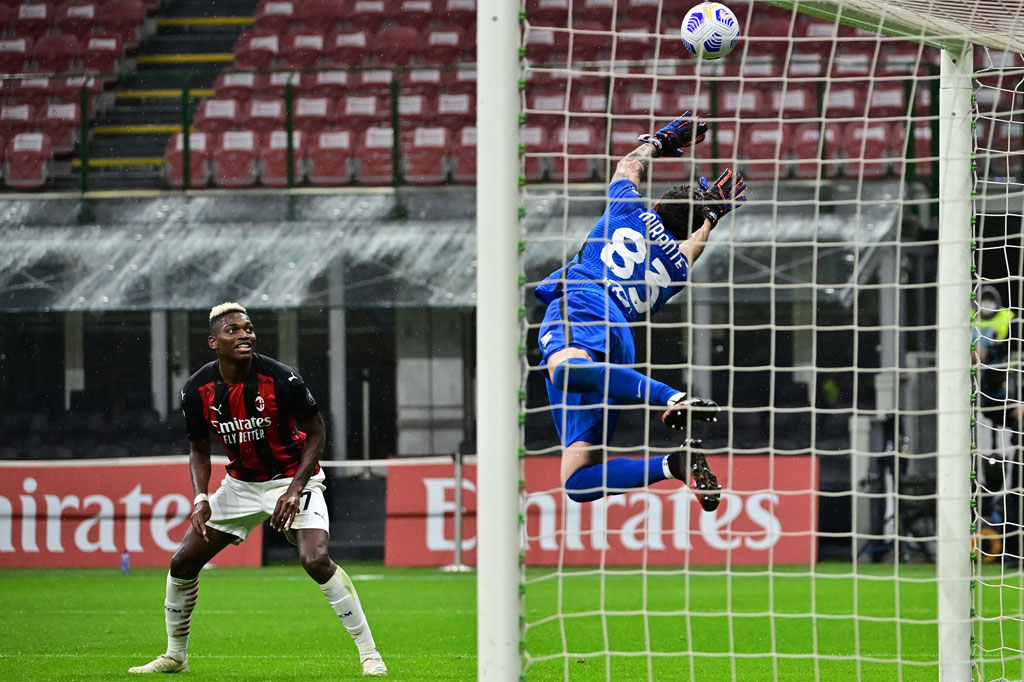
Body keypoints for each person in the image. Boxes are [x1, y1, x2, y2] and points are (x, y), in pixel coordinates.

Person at [129, 303, 387, 677]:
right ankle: (176, 656)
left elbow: (317, 432)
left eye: (248, 328)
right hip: (241, 486)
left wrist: (294, 489)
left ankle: (370, 655)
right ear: (213, 342)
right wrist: (201, 497)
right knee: (182, 562)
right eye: (233, 330)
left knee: (315, 560)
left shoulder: (283, 378)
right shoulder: (196, 390)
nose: (244, 334)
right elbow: (199, 449)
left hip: (292, 479)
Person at [535, 112, 747, 511]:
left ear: (657, 204)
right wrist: (710, 217)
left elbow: (628, 166)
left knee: (565, 371)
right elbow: (694, 244)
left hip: (584, 303)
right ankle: (673, 464)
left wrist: (661, 142)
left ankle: (672, 397)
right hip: (619, 341)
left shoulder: (627, 210)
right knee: (577, 482)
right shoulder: (677, 268)